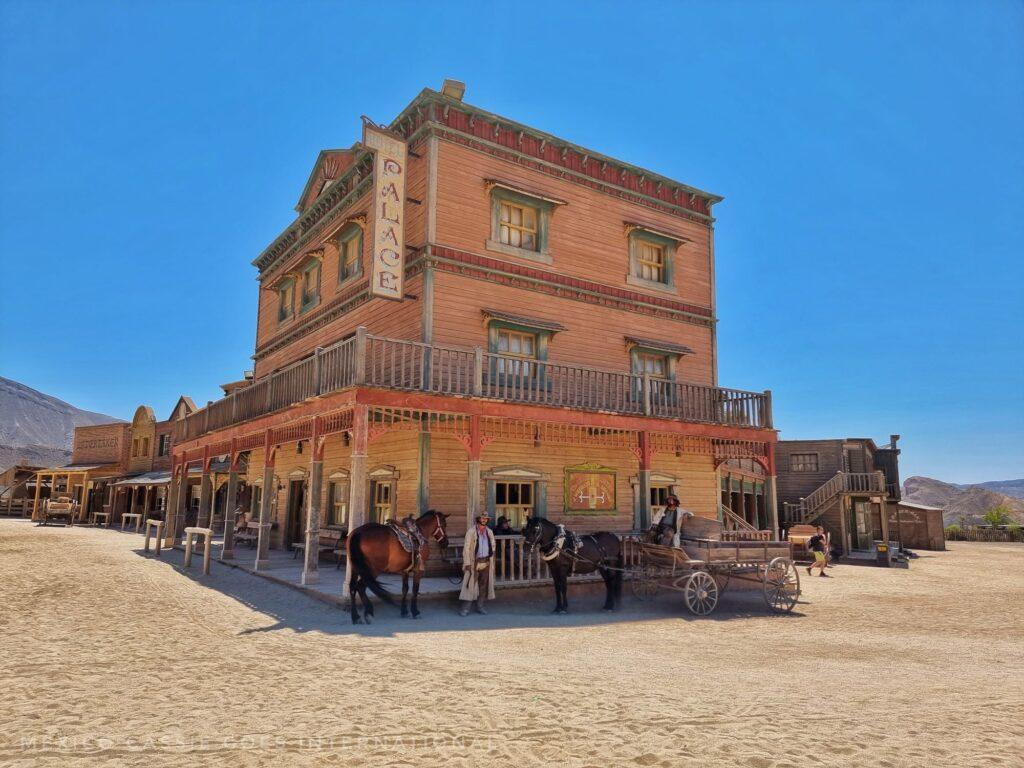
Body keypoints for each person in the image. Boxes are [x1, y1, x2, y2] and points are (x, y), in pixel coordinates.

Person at [459, 511, 496, 615]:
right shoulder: (471, 532)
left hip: (486, 562)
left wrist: (491, 556)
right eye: (482, 518)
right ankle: (465, 609)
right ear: (478, 519)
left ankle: (480, 606)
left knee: (483, 585)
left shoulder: (489, 532)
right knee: (470, 585)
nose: (484, 520)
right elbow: (466, 548)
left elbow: (493, 546)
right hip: (474, 562)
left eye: (486, 518)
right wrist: (467, 563)